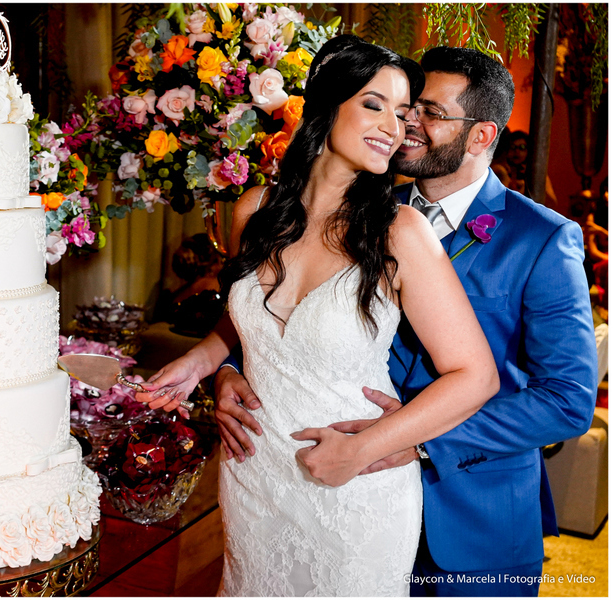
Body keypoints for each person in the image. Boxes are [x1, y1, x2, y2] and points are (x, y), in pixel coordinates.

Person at [214, 46, 598, 596]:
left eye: (428, 113)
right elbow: (278, 320)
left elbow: (566, 399)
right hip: (286, 473)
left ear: (483, 136)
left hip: (470, 509)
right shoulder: (360, 205)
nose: (407, 124)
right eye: (400, 108)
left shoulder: (541, 239)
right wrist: (226, 369)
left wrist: (412, 441)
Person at [136, 35, 499, 596]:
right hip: (253, 475)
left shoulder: (399, 233)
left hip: (353, 487)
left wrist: (360, 449)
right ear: (328, 105)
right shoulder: (254, 210)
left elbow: (475, 376)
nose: (395, 127)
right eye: (375, 104)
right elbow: (250, 320)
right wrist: (207, 362)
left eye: (403, 115)